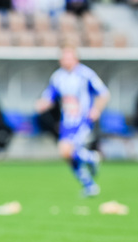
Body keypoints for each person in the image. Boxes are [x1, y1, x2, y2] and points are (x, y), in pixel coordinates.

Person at [35, 45, 109, 197]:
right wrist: (42, 104)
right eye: (63, 57)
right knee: (67, 155)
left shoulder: (85, 74)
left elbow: (104, 94)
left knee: (66, 150)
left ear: (76, 58)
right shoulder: (58, 76)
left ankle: (92, 158)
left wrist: (96, 110)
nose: (65, 60)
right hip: (67, 121)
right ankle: (89, 184)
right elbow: (50, 97)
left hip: (83, 119)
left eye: (69, 57)